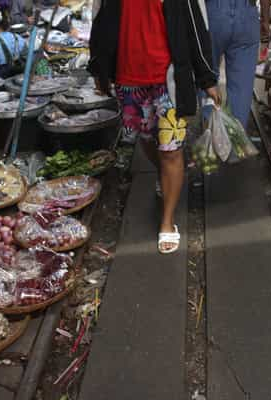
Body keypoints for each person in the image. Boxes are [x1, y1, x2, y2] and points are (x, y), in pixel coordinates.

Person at [90, 0, 220, 254]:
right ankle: (168, 175)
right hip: (128, 80)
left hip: (168, 81)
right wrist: (99, 69)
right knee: (147, 141)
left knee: (171, 151)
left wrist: (207, 78)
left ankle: (167, 221)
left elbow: (196, 27)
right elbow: (100, 23)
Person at [206, 0, 260, 129]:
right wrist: (265, 20)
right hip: (247, 12)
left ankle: (210, 140)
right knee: (241, 89)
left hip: (213, 11)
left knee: (207, 79)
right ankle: (237, 142)